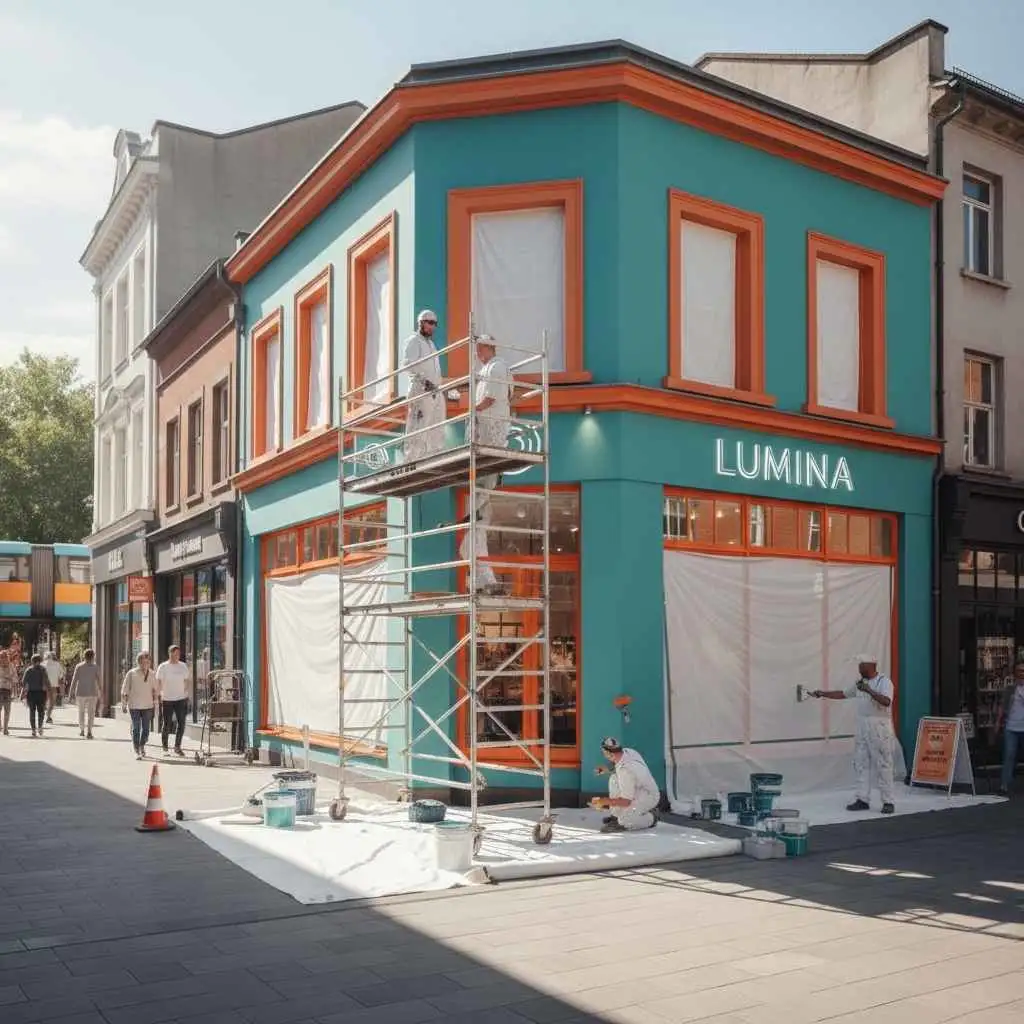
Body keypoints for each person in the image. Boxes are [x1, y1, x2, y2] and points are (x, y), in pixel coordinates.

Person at [811, 654, 896, 814]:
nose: (859, 669)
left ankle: (888, 801)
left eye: (861, 666)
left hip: (879, 726)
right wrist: (823, 693)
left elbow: (886, 702)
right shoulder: (860, 684)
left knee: (883, 764)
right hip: (862, 725)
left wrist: (869, 690)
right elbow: (843, 694)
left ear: (870, 666)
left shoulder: (884, 682)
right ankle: (862, 799)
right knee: (861, 762)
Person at [400, 309, 446, 462]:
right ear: (421, 323)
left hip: (435, 390)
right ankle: (412, 459)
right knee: (419, 425)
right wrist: (424, 381)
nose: (433, 327)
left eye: (435, 324)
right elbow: (408, 364)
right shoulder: (414, 340)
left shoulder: (431, 344)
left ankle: (433, 457)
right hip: (422, 388)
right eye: (430, 323)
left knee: (436, 423)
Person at [590, 737, 660, 832]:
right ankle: (616, 817)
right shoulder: (628, 752)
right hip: (639, 787)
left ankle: (652, 817)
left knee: (626, 821)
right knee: (614, 778)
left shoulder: (625, 771)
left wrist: (603, 801)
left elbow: (626, 801)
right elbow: (617, 764)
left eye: (604, 753)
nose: (604, 755)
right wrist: (605, 769)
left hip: (648, 795)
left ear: (610, 754)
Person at [121, 650, 158, 760]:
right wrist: (124, 704)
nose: (145, 664)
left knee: (146, 729)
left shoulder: (152, 674)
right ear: (139, 662)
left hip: (148, 706)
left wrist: (156, 704)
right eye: (143, 662)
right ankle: (137, 749)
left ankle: (142, 745)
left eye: (147, 662)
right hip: (134, 705)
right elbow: (125, 690)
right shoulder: (131, 673)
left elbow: (155, 690)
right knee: (136, 728)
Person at [996, 660, 1024, 796]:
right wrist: (998, 722)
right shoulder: (1010, 689)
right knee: (1009, 755)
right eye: (1019, 671)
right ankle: (1004, 785)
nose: (1021, 673)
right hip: (1011, 727)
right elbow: (1002, 706)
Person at [157, 644, 191, 757]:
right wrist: (159, 695)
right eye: (175, 654)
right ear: (170, 654)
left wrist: (185, 692)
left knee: (181, 723)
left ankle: (177, 747)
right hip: (167, 698)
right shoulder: (163, 666)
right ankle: (165, 747)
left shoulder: (183, 666)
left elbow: (187, 680)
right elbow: (159, 682)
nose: (177, 656)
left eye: (178, 654)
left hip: (180, 698)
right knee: (167, 723)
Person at [68, 649, 101, 739]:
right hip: (92, 693)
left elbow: (74, 680)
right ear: (93, 656)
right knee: (91, 713)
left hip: (80, 692)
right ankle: (89, 731)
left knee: (81, 712)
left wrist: (70, 693)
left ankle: (82, 730)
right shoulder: (96, 667)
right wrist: (100, 692)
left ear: (84, 656)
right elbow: (99, 681)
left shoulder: (79, 666)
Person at [22, 653, 49, 738]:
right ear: (40, 661)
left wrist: (25, 689)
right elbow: (47, 681)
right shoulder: (43, 669)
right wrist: (49, 691)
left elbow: (23, 682)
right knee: (41, 711)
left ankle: (33, 730)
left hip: (31, 693)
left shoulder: (28, 670)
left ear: (32, 661)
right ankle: (40, 727)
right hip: (41, 693)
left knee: (32, 712)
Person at [43, 651, 64, 724]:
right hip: (54, 686)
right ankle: (48, 715)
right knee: (52, 702)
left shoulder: (42, 664)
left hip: (45, 686)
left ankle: (44, 712)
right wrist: (58, 678)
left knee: (45, 700)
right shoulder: (57, 664)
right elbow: (61, 674)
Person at [0, 649, 16, 735]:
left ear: (7, 657)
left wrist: (9, 679)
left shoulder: (11, 666)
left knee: (7, 710)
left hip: (7, 690)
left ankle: (5, 728)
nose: (3, 659)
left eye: (5, 657)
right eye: (1, 657)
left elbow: (15, 678)